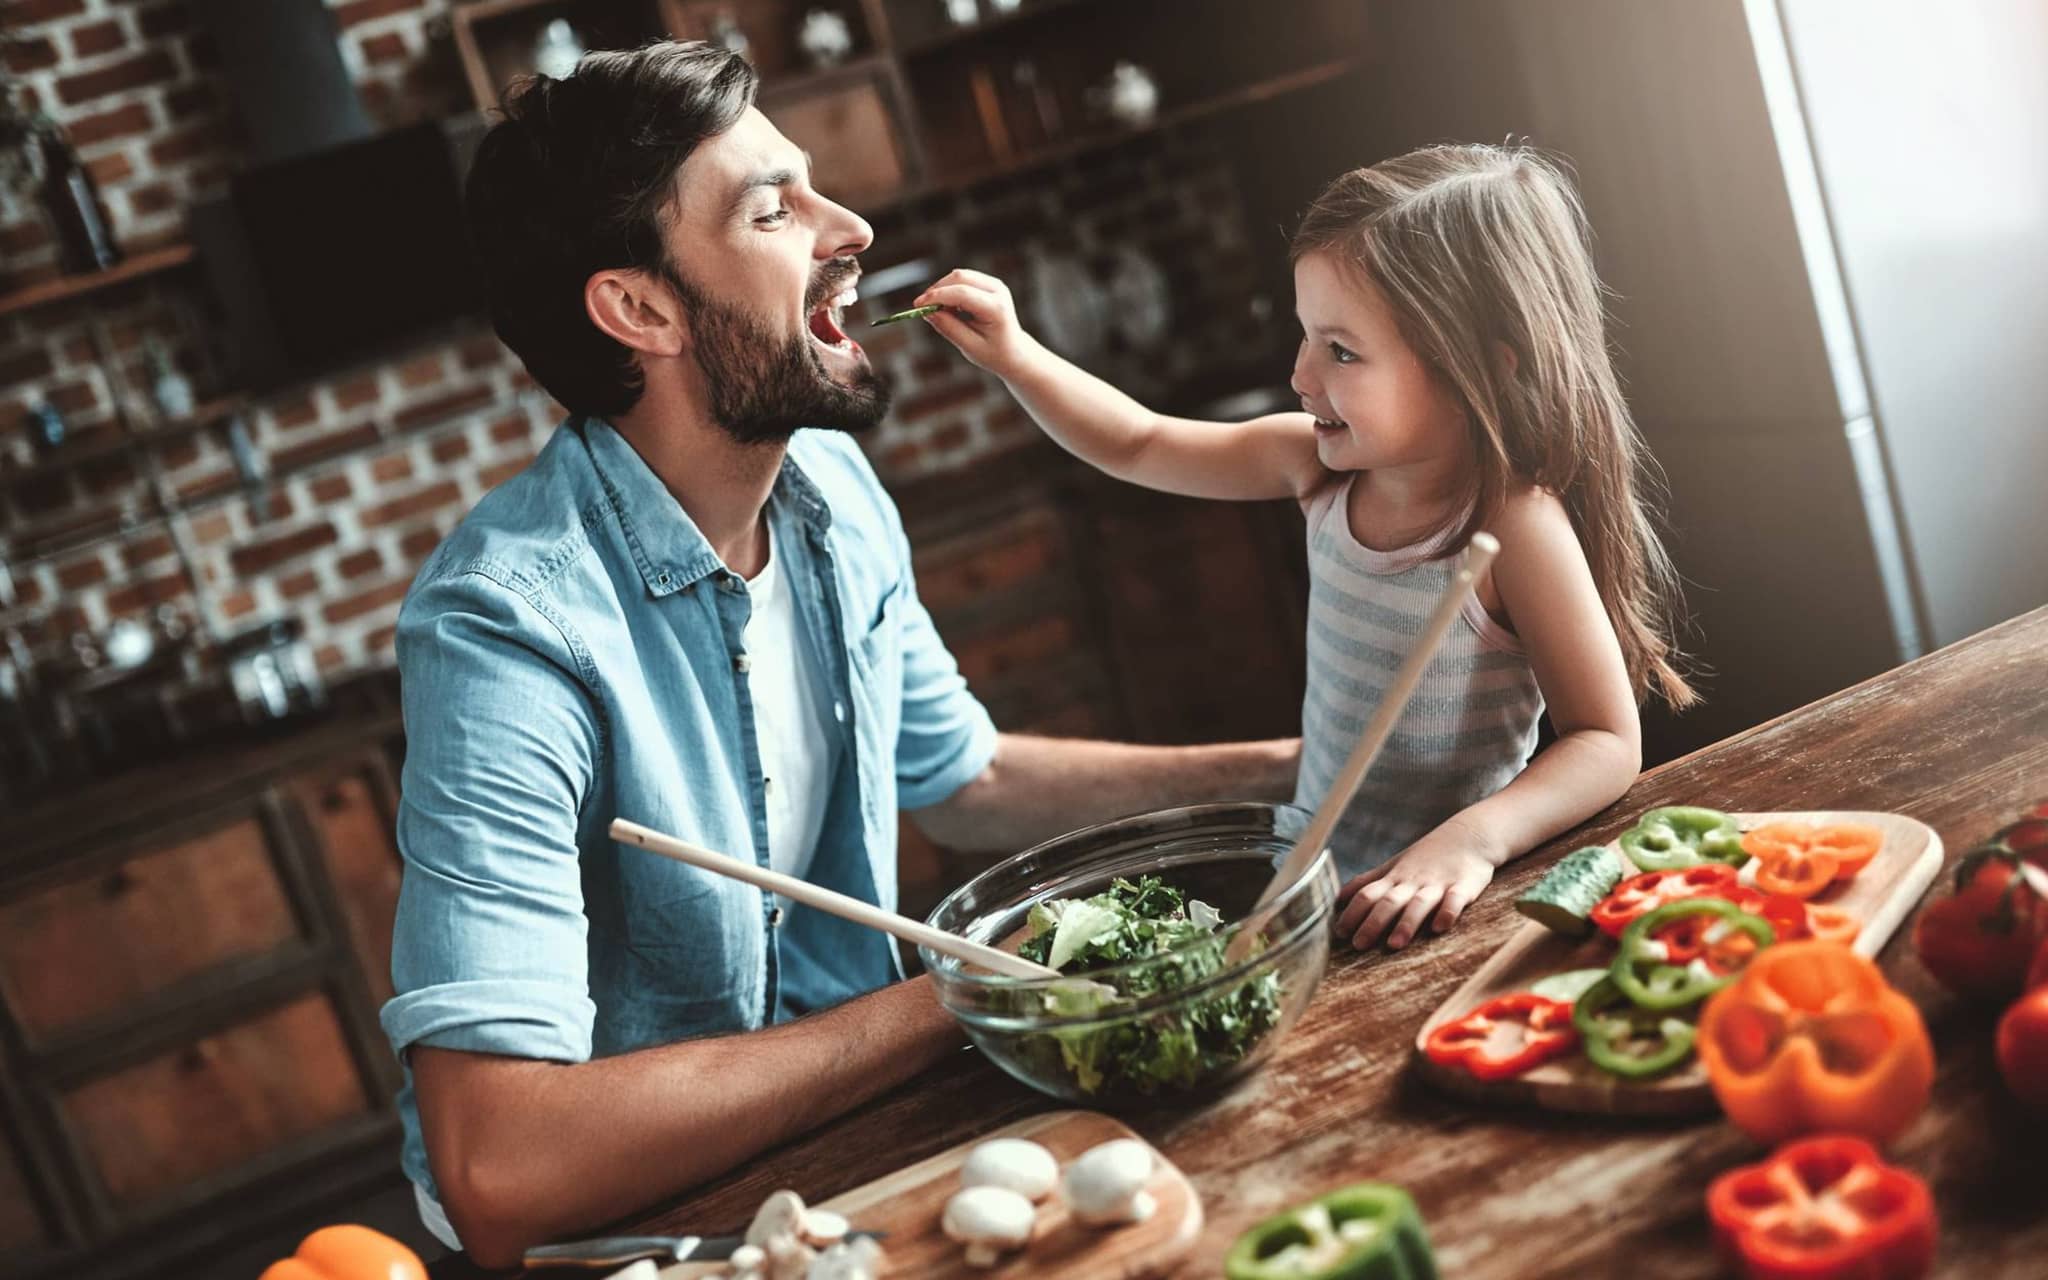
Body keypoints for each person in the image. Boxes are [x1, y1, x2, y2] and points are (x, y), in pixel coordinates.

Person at [384, 41, 1297, 1267]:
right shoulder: (507, 628)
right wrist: (959, 991)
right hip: (634, 1247)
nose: (849, 226)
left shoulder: (828, 488)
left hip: (845, 1164)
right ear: (639, 308)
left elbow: (961, 777)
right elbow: (500, 1164)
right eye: (774, 208)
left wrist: (1304, 768)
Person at [913, 143, 1696, 955]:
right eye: (1305, 337)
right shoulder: (1314, 468)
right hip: (1316, 896)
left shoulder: (1512, 525)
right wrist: (1015, 355)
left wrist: (1473, 842)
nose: (1300, 374)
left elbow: (1605, 741)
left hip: (1442, 912)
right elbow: (1139, 443)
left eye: (1341, 351)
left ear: (1482, 372)